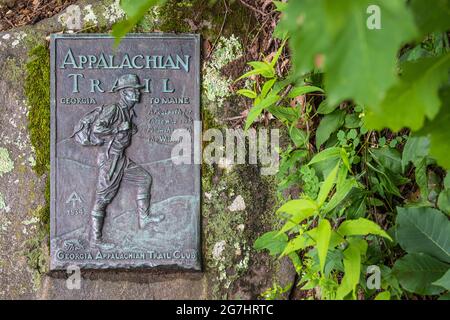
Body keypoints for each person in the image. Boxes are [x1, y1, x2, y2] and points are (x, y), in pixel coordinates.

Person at [71, 74, 164, 248]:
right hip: (110, 160)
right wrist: (118, 128)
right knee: (102, 199)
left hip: (121, 158)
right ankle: (96, 240)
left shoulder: (127, 111)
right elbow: (98, 129)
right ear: (123, 93)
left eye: (138, 90)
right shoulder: (114, 109)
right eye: (133, 91)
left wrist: (129, 130)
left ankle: (144, 218)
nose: (138, 94)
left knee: (144, 178)